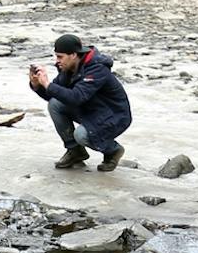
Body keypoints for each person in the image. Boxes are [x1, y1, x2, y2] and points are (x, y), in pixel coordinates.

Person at [29, 34, 130, 171]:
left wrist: (47, 84)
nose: (57, 61)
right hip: (90, 110)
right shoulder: (69, 68)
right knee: (54, 104)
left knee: (81, 135)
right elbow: (55, 95)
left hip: (114, 116)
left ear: (73, 55)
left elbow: (77, 97)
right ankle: (75, 151)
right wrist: (37, 85)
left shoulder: (97, 68)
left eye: (60, 57)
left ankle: (113, 150)